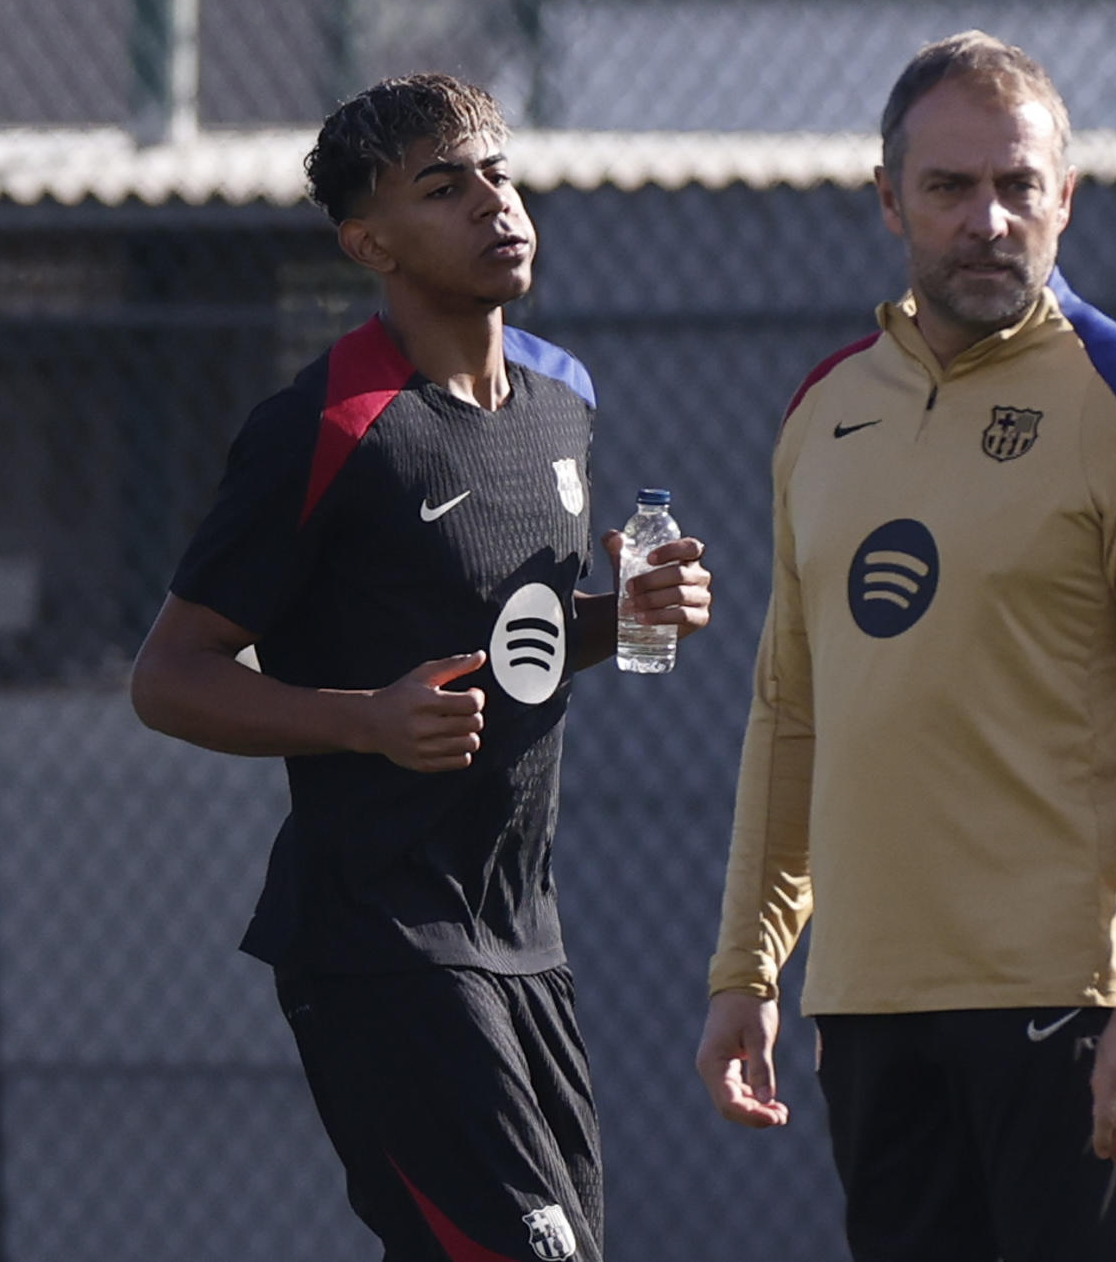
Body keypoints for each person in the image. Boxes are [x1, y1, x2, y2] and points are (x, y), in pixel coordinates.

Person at [129, 74, 712, 1262]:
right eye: (444, 188)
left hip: (525, 935)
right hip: (380, 941)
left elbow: (509, 643)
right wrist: (365, 720)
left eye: (498, 172)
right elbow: (171, 674)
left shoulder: (563, 396)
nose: (493, 203)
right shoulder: (327, 425)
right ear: (370, 244)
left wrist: (625, 618)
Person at [694, 31, 1116, 1262]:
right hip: (871, 1008)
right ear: (890, 200)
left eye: (1017, 185)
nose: (987, 220)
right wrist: (749, 968)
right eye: (949, 187)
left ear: (1067, 197)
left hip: (1069, 1006)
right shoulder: (825, 412)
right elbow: (792, 712)